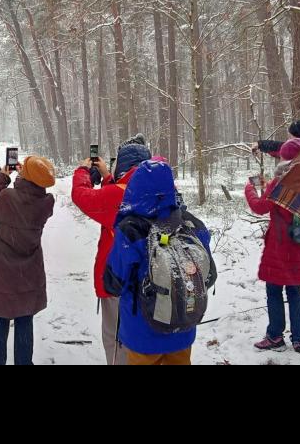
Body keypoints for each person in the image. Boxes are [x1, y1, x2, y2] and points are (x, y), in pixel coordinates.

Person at [102, 159, 214, 365]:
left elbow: (113, 283)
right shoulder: (191, 224)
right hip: (183, 328)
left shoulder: (130, 230)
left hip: (142, 334)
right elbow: (209, 275)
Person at [70, 134, 152, 365]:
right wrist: (107, 176)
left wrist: (83, 171)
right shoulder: (155, 190)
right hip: (153, 283)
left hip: (120, 283)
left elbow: (81, 196)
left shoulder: (118, 194)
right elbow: (117, 202)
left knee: (116, 339)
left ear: (123, 166)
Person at [0, 155, 56, 365]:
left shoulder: (8, 198)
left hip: (1, 274)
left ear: (24, 175)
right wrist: (27, 175)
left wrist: (3, 176)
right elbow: (31, 193)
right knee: (25, 320)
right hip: (29, 274)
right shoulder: (46, 204)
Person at [244, 138, 300, 353]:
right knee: (295, 293)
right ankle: (299, 339)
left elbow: (260, 207)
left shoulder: (280, 182)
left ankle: (275, 335)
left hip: (280, 247)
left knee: (274, 291)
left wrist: (250, 189)